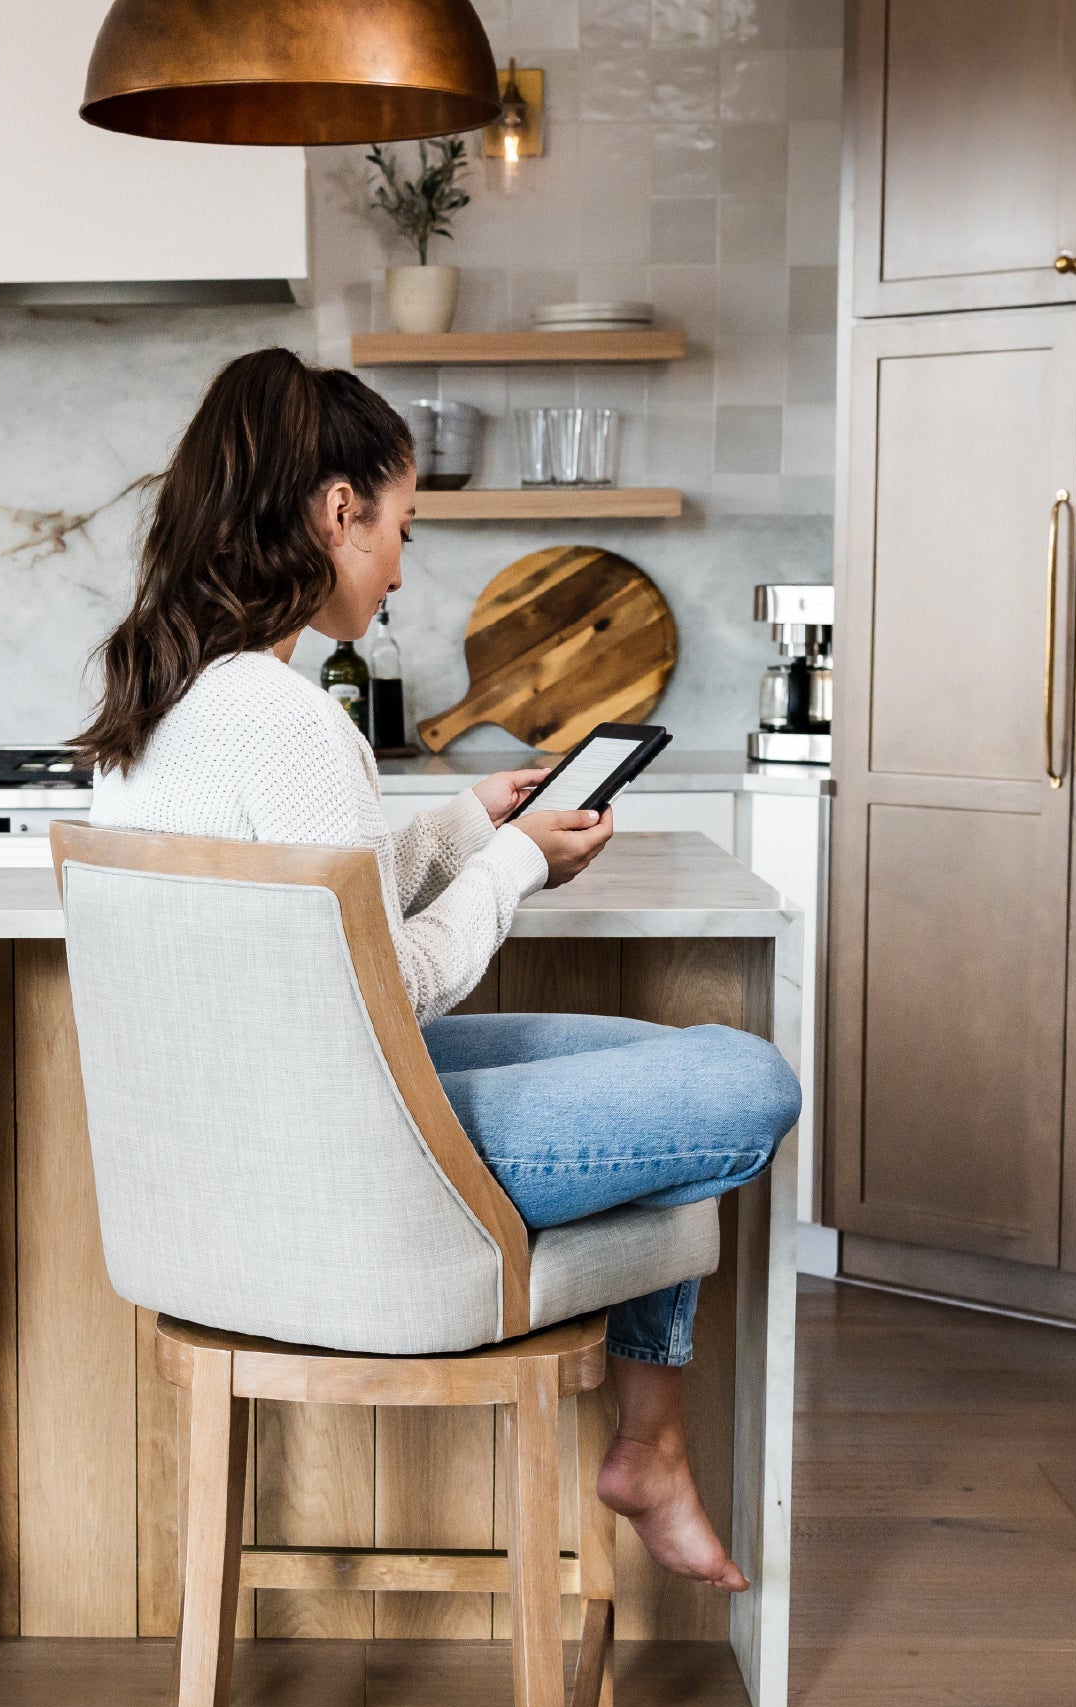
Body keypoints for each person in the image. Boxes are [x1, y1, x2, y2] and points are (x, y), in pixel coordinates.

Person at [76, 347, 799, 1592]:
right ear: (335, 511)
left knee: (647, 1066)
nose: (404, 566)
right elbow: (398, 982)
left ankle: (651, 1446)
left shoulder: (163, 696)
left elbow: (322, 912)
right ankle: (648, 1442)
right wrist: (515, 866)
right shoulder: (291, 718)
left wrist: (470, 825)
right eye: (400, 527)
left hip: (248, 1154)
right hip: (356, 1175)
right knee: (740, 1080)